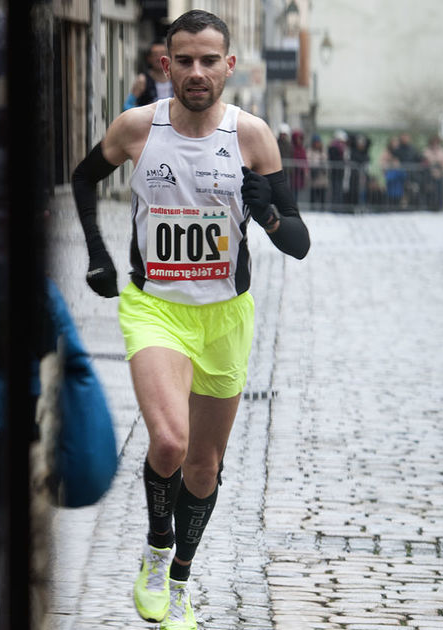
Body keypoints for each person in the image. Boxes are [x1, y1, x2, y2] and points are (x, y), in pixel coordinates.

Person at [68, 10, 309, 629]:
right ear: (165, 63)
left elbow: (299, 241)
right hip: (156, 309)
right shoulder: (137, 129)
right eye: (185, 60)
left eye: (209, 60)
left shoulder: (252, 137)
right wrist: (98, 255)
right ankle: (155, 548)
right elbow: (83, 178)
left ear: (229, 66)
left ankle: (179, 583)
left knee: (204, 464)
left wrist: (272, 217)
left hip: (226, 316)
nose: (196, 72)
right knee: (169, 442)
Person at [126, 41, 175, 110]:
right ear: (149, 58)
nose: (159, 58)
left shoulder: (176, 78)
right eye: (155, 55)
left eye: (163, 54)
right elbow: (127, 106)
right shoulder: (142, 80)